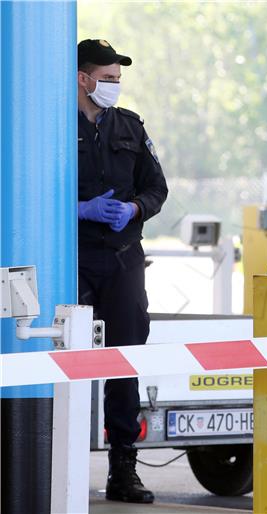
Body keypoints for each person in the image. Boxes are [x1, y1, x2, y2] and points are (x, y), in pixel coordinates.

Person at [77, 39, 168, 504]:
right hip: (71, 259)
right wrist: (79, 210)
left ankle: (123, 470)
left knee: (126, 360)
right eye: (107, 78)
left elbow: (158, 187)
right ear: (83, 78)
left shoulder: (130, 126)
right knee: (62, 360)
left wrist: (134, 208)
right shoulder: (52, 125)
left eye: (118, 79)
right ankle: (56, 462)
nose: (114, 86)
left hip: (122, 259)